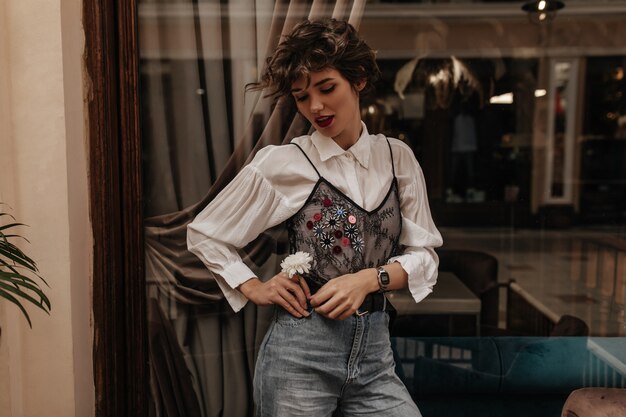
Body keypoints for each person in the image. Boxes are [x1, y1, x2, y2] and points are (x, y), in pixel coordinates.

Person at [187, 18, 442, 417]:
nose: (316, 107)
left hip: (375, 354)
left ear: (357, 79)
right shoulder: (286, 162)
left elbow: (425, 255)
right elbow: (205, 234)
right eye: (302, 97)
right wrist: (252, 286)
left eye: (327, 88)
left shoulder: (397, 158)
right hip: (300, 356)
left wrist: (368, 279)